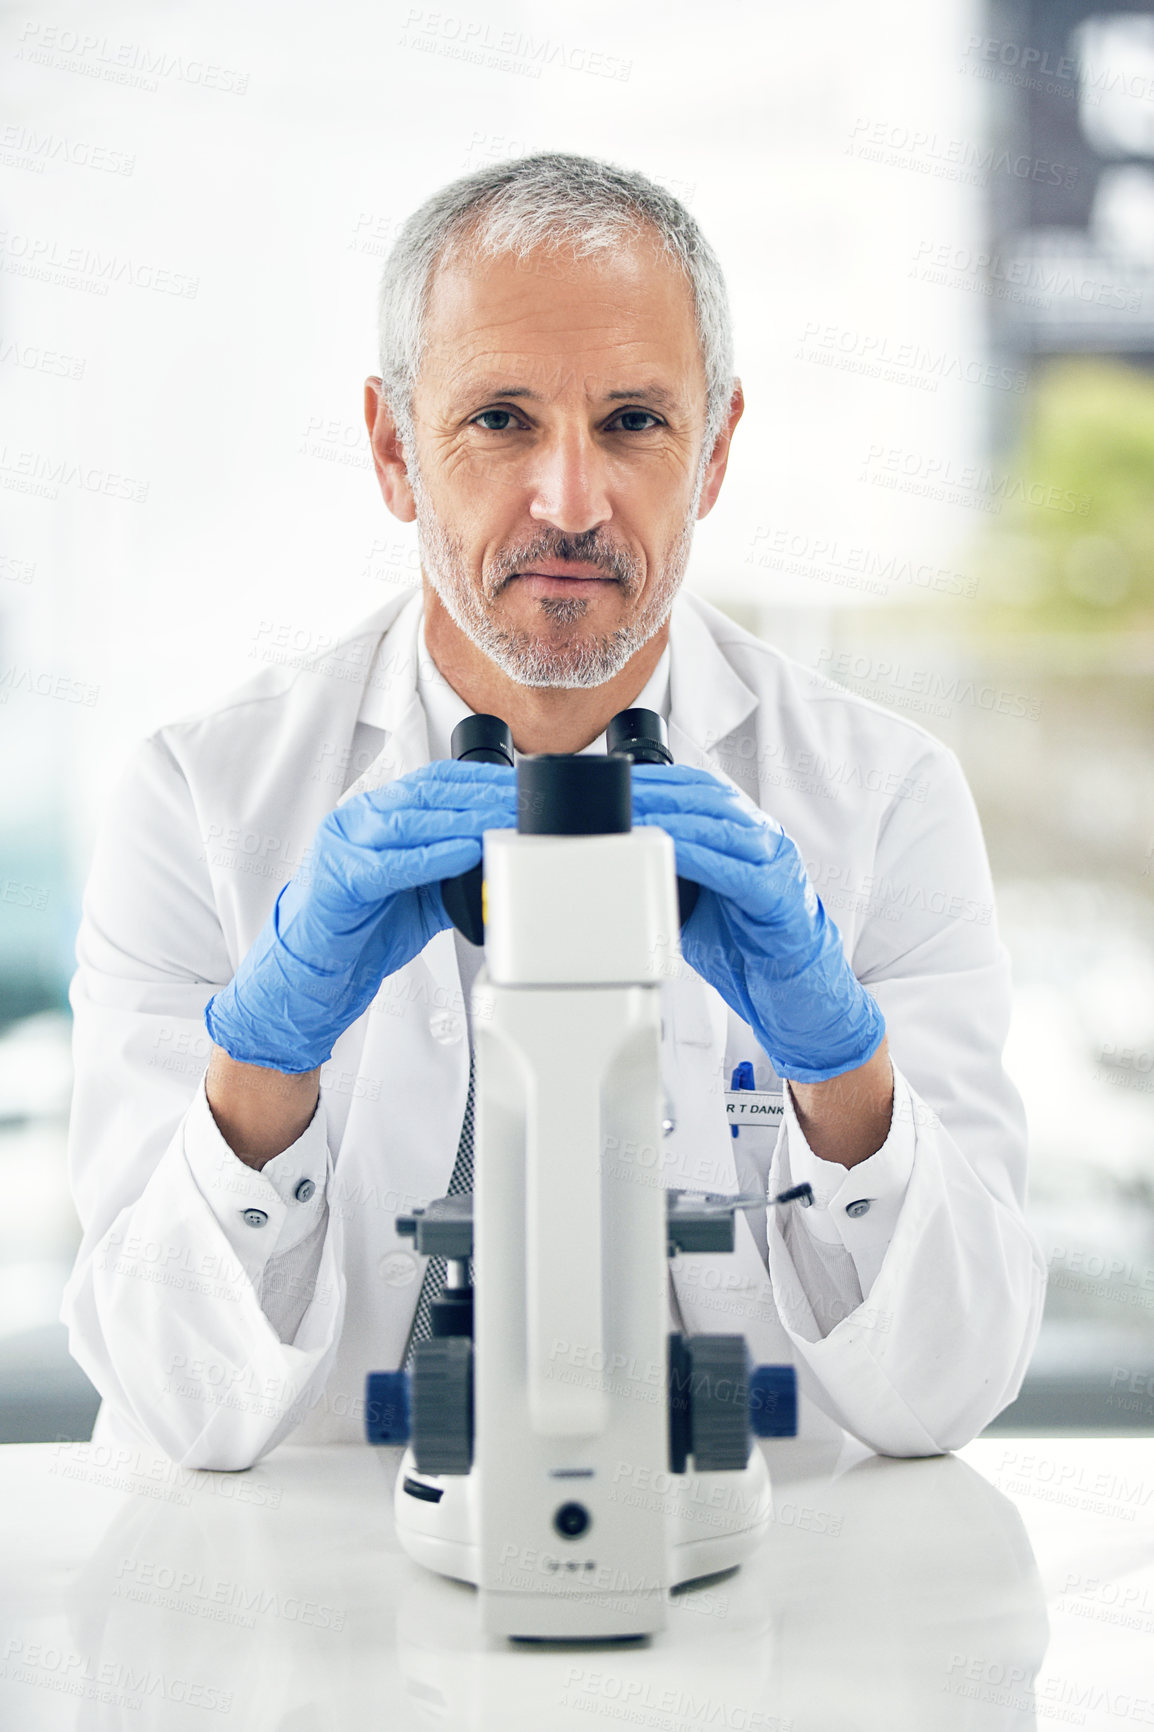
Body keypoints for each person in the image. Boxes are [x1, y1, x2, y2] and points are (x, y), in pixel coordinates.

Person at [61, 153, 1045, 1470]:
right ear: (392, 450)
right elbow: (170, 1403)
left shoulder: (882, 798)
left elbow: (950, 1389)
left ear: (715, 451)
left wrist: (845, 1080)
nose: (569, 502)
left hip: (770, 1631)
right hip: (323, 1639)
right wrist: (261, 1070)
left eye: (634, 420)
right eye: (500, 420)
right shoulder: (199, 799)